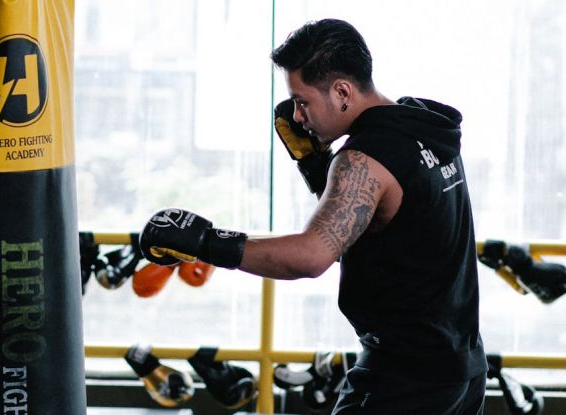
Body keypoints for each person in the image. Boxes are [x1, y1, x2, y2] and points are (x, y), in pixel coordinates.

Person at [138, 18, 487, 414]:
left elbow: (311, 256)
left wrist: (204, 242)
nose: (298, 116)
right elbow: (376, 223)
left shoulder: (364, 158)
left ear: (341, 92)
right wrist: (314, 165)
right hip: (461, 369)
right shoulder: (421, 127)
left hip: (404, 379)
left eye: (303, 101)